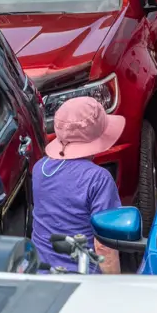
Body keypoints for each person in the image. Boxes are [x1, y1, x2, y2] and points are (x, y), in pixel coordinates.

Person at [31, 95, 124, 274]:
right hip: (82, 279)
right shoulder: (98, 179)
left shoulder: (39, 169)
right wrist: (114, 287)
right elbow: (105, 245)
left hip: (42, 275)